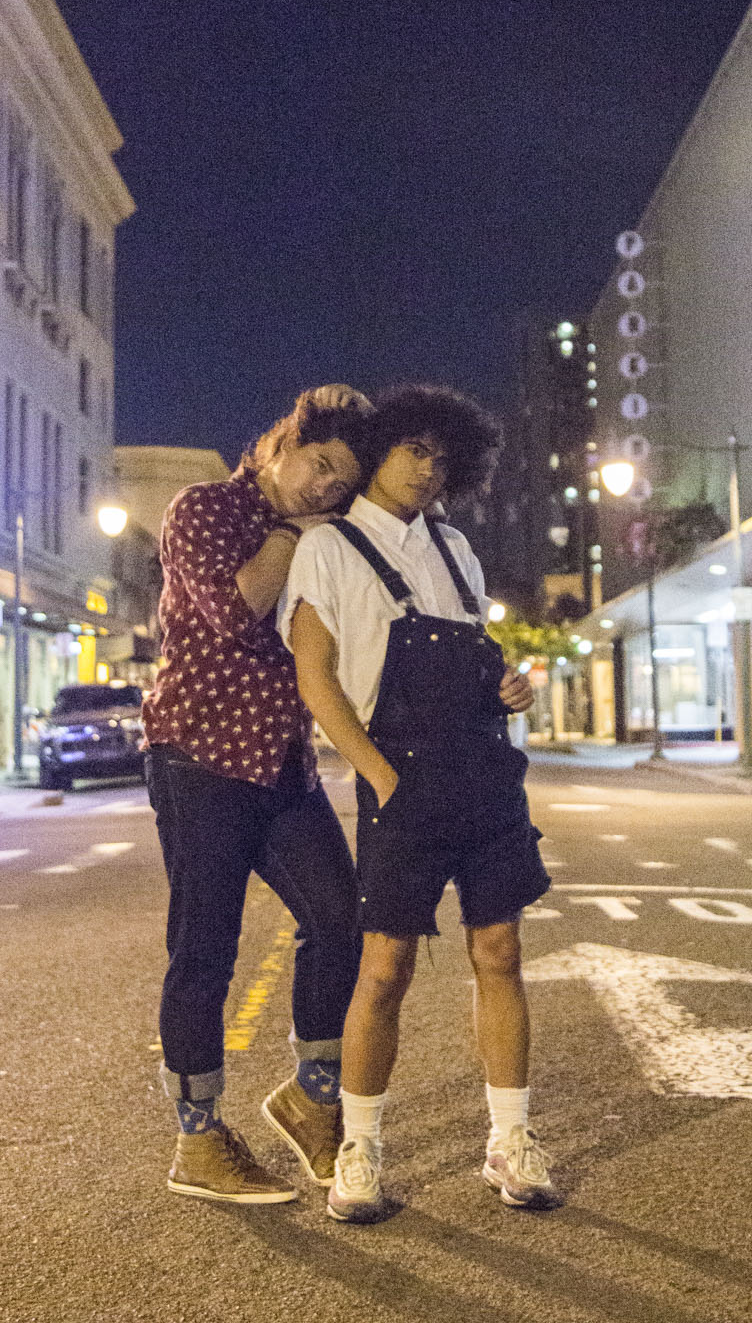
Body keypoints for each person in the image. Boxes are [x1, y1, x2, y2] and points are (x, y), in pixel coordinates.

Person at [283, 383, 557, 1225]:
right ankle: (358, 1149)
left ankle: (509, 1140)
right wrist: (377, 775)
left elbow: (474, 662)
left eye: (444, 458)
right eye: (415, 451)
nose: (428, 470)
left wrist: (508, 686)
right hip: (399, 776)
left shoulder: (457, 550)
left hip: (483, 775)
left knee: (500, 954)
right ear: (382, 449)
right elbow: (314, 679)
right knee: (384, 969)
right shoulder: (326, 548)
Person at [142, 384, 375, 1204]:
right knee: (205, 949)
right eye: (318, 464)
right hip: (198, 760)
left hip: (280, 767)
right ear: (278, 446)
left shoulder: (327, 535)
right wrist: (291, 530)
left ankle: (313, 1098)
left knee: (339, 916)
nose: (326, 488)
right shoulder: (204, 509)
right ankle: (197, 1142)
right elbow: (239, 610)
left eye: (341, 480)